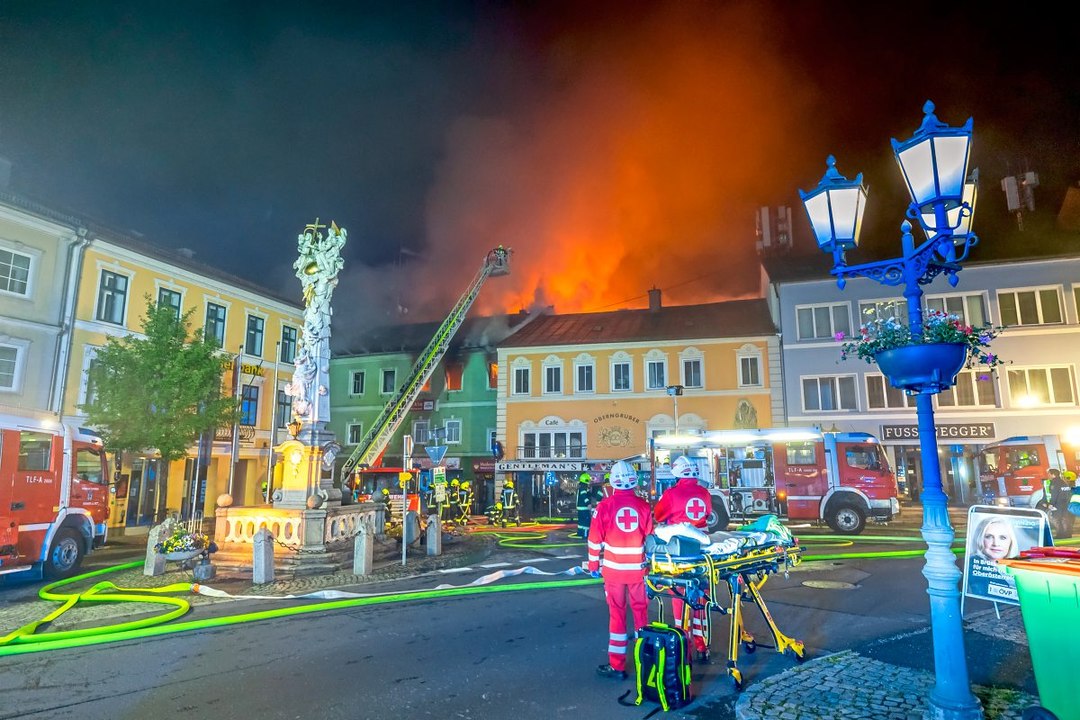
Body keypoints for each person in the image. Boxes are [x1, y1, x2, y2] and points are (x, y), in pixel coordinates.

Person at [588, 460, 654, 681]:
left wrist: (593, 565)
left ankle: (617, 667)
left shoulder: (604, 506)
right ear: (634, 482)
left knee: (617, 615)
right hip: (638, 571)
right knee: (641, 615)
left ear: (613, 482)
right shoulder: (644, 506)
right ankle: (645, 661)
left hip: (614, 573)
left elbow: (594, 539)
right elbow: (650, 539)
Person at [653, 455, 713, 660]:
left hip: (680, 557)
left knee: (681, 600)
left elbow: (659, 516)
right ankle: (702, 645)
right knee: (700, 599)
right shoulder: (704, 493)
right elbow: (707, 514)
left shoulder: (671, 494)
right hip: (703, 556)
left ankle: (683, 647)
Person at [1046, 469, 1074, 538]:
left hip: (1058, 504)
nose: (1048, 476)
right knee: (1065, 519)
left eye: (1049, 474)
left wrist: (1051, 504)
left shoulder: (1054, 483)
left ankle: (1060, 535)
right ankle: (1068, 534)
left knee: (1057, 519)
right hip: (1066, 503)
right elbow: (1068, 493)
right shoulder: (1063, 482)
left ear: (1053, 475)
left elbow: (1054, 494)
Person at [575, 472, 594, 538]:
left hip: (580, 508)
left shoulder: (581, 486)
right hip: (584, 507)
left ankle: (580, 533)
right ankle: (585, 534)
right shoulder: (583, 487)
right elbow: (584, 496)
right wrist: (588, 504)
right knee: (586, 521)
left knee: (581, 522)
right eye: (588, 480)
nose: (589, 481)